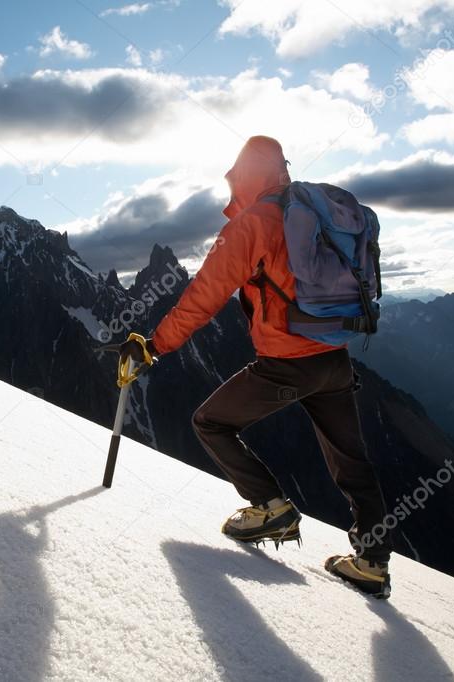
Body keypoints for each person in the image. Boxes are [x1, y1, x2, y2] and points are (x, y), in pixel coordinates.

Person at [119, 135, 392, 598]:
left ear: (243, 175)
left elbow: (203, 295)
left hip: (288, 364)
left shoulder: (254, 223)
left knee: (210, 422)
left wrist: (155, 346)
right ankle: (372, 562)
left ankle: (269, 506)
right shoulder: (310, 210)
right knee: (351, 459)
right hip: (334, 356)